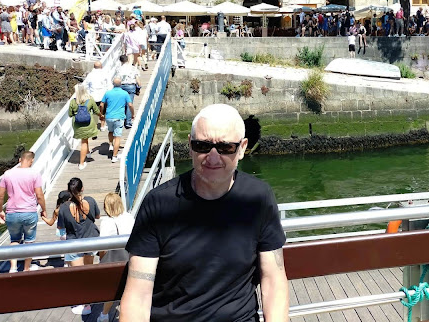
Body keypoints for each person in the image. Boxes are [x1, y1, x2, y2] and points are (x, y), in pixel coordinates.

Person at [120, 104, 288, 322]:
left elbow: (273, 280)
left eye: (226, 147)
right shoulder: (159, 204)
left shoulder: (258, 198)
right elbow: (138, 295)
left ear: (242, 148)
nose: (213, 157)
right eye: (202, 146)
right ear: (190, 146)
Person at [0, 151, 46, 273]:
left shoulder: (8, 174)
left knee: (14, 240)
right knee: (29, 240)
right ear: (32, 161)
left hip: (12, 213)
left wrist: (0, 211)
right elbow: (39, 195)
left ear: (20, 160)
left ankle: (13, 268)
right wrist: (44, 209)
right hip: (29, 212)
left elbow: (0, 196)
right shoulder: (35, 174)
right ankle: (26, 268)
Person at [58, 177, 100, 315]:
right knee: (88, 271)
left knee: (78, 274)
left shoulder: (64, 207)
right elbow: (97, 216)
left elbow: (61, 227)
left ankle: (83, 302)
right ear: (82, 188)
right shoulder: (91, 200)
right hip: (91, 239)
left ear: (68, 190)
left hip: (74, 242)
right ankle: (88, 303)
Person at [97, 193, 135, 322]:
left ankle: (104, 315)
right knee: (129, 288)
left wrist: (102, 259)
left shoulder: (107, 222)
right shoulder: (129, 217)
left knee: (112, 289)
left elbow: (102, 246)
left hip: (113, 260)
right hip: (129, 257)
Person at [101, 77, 134, 163]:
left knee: (110, 131)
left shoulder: (108, 93)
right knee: (117, 137)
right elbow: (130, 105)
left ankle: (111, 145)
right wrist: (132, 114)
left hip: (109, 116)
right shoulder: (124, 93)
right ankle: (114, 156)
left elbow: (101, 104)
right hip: (119, 117)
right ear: (121, 84)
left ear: (113, 84)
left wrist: (101, 113)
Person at [69, 84, 101, 170]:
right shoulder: (90, 100)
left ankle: (87, 153)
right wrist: (101, 116)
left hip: (77, 124)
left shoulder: (73, 102)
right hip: (88, 123)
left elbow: (70, 114)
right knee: (84, 141)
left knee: (84, 139)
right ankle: (81, 163)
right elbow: (96, 111)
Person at [84, 61, 112, 131]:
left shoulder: (90, 75)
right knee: (103, 111)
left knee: (94, 112)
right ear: (101, 66)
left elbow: (85, 86)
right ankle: (102, 126)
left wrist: (88, 93)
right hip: (103, 96)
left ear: (94, 67)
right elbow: (109, 85)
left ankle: (94, 127)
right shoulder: (105, 74)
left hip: (93, 96)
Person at [116, 55, 140, 128]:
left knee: (121, 103)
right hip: (131, 86)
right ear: (128, 60)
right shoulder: (133, 68)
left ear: (120, 61)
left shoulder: (119, 69)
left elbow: (117, 79)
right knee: (129, 104)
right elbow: (137, 79)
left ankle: (120, 120)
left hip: (121, 86)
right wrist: (139, 88)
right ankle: (128, 122)